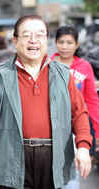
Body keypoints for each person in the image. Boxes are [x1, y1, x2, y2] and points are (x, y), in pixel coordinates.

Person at [0, 15, 92, 189]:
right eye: (27, 35)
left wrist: (82, 146)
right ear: (15, 40)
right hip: (13, 157)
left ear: (46, 40)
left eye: (40, 35)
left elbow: (79, 113)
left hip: (54, 157)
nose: (33, 40)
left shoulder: (63, 75)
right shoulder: (0, 76)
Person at [51, 25, 99, 189]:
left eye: (69, 42)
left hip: (76, 128)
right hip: (50, 129)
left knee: (72, 175)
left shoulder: (85, 67)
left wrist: (97, 132)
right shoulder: (48, 64)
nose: (65, 47)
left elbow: (92, 101)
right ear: (55, 43)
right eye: (61, 42)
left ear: (77, 44)